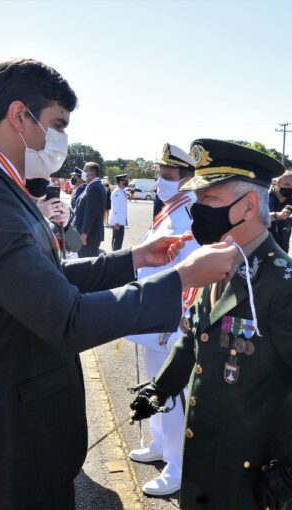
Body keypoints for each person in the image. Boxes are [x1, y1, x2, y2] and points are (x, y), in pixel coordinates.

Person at [0, 58, 238, 510]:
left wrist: (134, 259)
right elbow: (65, 317)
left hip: (24, 421)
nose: (61, 138)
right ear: (19, 116)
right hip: (10, 433)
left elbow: (41, 281)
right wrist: (182, 278)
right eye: (57, 124)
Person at [129, 139, 292, 510]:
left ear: (249, 206)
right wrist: (160, 389)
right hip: (205, 464)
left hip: (253, 480)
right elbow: (194, 335)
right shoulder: (217, 261)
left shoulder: (288, 288)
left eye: (209, 200)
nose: (197, 210)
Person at [126, 143, 199, 496]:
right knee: (156, 386)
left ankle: (179, 464)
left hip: (168, 321)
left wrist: (177, 322)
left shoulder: (188, 216)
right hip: (153, 317)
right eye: (159, 174)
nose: (160, 181)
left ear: (187, 178)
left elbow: (192, 275)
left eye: (168, 175)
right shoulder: (171, 210)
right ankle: (160, 443)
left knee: (173, 392)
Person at [268, 171, 292, 254]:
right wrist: (278, 215)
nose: (290, 188)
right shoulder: (263, 199)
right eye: (287, 184)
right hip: (261, 249)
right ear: (277, 184)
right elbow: (255, 219)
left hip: (282, 252)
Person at [74, 161, 106, 257]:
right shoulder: (92, 186)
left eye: (84, 171)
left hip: (89, 237)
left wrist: (84, 234)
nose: (82, 173)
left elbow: (90, 213)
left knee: (87, 266)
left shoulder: (94, 188)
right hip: (89, 236)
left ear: (91, 174)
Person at [110, 173, 128, 251]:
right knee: (117, 241)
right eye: (123, 180)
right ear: (119, 182)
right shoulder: (116, 193)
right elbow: (115, 209)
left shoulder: (122, 191)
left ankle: (114, 256)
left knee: (119, 241)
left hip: (121, 220)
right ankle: (114, 259)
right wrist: (117, 222)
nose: (125, 181)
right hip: (118, 221)